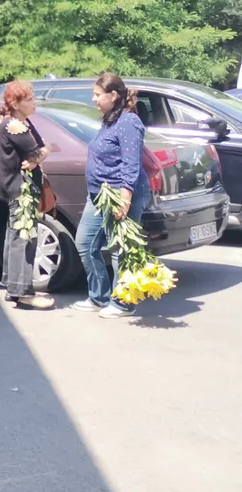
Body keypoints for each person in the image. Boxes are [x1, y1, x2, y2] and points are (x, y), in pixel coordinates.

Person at [73, 73, 150, 319]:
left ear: (113, 95)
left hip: (120, 194)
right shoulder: (111, 119)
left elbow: (131, 163)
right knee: (85, 244)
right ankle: (99, 297)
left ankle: (124, 303)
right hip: (98, 195)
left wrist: (125, 198)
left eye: (97, 95)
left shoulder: (128, 122)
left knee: (121, 250)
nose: (93, 99)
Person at [0, 81, 55, 310]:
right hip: (21, 191)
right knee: (24, 239)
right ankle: (22, 292)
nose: (34, 102)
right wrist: (46, 151)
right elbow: (36, 151)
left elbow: (34, 156)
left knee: (16, 237)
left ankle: (13, 288)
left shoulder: (21, 122)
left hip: (18, 189)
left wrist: (38, 156)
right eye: (29, 99)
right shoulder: (14, 126)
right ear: (15, 104)